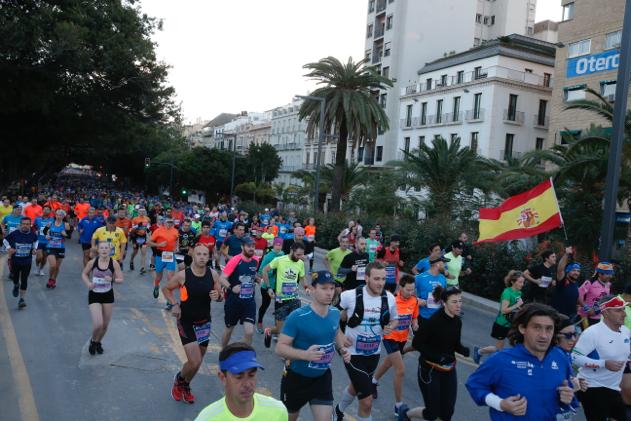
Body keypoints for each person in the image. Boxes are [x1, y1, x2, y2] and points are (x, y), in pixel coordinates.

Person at [466, 303, 575, 420]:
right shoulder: (501, 360)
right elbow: (475, 384)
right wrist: (500, 404)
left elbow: (569, 397)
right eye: (537, 327)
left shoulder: (560, 358)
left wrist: (568, 398)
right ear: (522, 328)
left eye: (549, 329)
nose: (544, 335)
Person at [276, 270, 351, 421]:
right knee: (289, 418)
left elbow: (335, 332)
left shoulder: (335, 313)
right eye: (324, 288)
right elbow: (280, 348)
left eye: (331, 288)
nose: (329, 293)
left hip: (322, 378)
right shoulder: (297, 316)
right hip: (296, 379)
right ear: (312, 289)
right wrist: (304, 355)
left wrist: (342, 349)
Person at [334, 261, 398, 421]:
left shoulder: (389, 298)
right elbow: (331, 315)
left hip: (373, 354)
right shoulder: (350, 296)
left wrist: (391, 326)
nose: (381, 283)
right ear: (367, 277)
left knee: (356, 387)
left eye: (383, 279)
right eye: (377, 279)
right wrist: (340, 335)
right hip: (352, 353)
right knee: (367, 402)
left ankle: (338, 411)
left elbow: (395, 319)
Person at [398, 287, 470, 421]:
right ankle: (406, 414)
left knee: (447, 413)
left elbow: (454, 344)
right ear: (444, 302)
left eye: (460, 301)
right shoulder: (434, 321)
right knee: (432, 413)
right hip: (429, 370)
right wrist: (436, 356)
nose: (458, 305)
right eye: (454, 302)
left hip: (449, 370)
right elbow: (417, 343)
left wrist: (463, 350)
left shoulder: (457, 321)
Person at [163, 244, 220, 404]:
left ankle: (186, 385)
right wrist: (174, 304)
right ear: (193, 256)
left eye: (205, 254)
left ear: (208, 257)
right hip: (186, 321)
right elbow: (166, 289)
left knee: (198, 362)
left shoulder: (213, 274)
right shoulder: (183, 275)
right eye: (199, 254)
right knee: (194, 361)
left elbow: (220, 294)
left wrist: (218, 295)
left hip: (204, 322)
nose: (202, 257)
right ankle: (179, 379)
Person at [573, 295, 631, 421]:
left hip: (613, 387)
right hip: (592, 387)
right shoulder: (592, 333)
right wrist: (603, 364)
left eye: (623, 309)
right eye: (618, 310)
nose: (624, 314)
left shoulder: (626, 331)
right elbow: (575, 357)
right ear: (605, 312)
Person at [194, 342, 288, 420]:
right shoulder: (206, 418)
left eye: (251, 375)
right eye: (239, 377)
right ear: (223, 377)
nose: (247, 384)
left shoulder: (278, 411)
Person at [372, 275, 419, 414]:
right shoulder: (392, 300)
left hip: (403, 338)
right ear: (400, 287)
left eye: (412, 290)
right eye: (408, 290)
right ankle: (398, 405)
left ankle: (373, 382)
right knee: (400, 370)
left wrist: (415, 325)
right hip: (390, 337)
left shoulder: (414, 301)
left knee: (388, 363)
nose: (410, 292)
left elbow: (414, 317)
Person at [473, 270, 525, 364]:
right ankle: (479, 352)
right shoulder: (507, 293)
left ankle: (499, 361)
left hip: (512, 323)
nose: (522, 284)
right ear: (513, 282)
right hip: (502, 323)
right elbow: (503, 310)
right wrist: (517, 305)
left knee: (517, 344)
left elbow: (517, 307)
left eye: (523, 282)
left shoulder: (518, 293)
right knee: (498, 349)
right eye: (520, 282)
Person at [81, 241, 123, 355]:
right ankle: (93, 341)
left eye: (106, 248)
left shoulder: (114, 263)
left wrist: (113, 280)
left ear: (110, 251)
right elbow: (84, 274)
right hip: (94, 294)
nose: (104, 250)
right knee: (98, 324)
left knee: (105, 325)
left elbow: (121, 279)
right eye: (102, 248)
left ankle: (98, 342)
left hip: (107, 295)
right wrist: (88, 284)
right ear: (98, 250)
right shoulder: (92, 262)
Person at [261, 242, 306, 348]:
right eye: (298, 255)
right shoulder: (280, 260)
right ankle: (269, 331)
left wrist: (307, 287)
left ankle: (287, 353)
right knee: (279, 329)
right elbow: (264, 270)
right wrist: (269, 288)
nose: (300, 257)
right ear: (292, 251)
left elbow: (303, 277)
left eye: (302, 255)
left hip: (294, 299)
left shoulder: (300, 263)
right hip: (281, 299)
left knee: (295, 326)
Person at [219, 236, 260, 347]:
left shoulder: (256, 260)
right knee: (229, 329)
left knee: (249, 332)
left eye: (253, 246)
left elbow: (252, 273)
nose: (251, 249)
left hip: (249, 301)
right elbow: (222, 278)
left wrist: (257, 278)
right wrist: (231, 287)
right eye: (249, 246)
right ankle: (224, 351)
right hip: (234, 301)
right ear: (242, 247)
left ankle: (242, 354)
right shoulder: (235, 260)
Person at [3, 217, 37, 308]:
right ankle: (16, 285)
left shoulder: (32, 234)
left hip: (27, 260)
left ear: (30, 225)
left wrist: (34, 248)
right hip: (15, 260)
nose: (25, 226)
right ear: (20, 224)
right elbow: (5, 240)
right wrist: (9, 248)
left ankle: (22, 299)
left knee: (24, 279)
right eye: (23, 224)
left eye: (27, 224)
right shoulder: (14, 234)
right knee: (15, 277)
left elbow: (36, 241)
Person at [147, 217, 179, 304]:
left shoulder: (175, 230)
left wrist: (176, 247)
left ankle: (169, 299)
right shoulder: (158, 230)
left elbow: (177, 239)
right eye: (168, 222)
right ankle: (156, 286)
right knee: (158, 277)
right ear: (164, 223)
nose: (169, 224)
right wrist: (159, 244)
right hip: (160, 255)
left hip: (170, 255)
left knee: (170, 277)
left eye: (171, 222)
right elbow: (149, 243)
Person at [256, 237, 284, 334]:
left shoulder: (283, 255)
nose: (278, 247)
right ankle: (259, 322)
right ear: (274, 245)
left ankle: (277, 328)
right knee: (265, 305)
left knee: (279, 307)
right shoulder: (268, 256)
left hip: (279, 287)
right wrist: (272, 271)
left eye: (280, 245)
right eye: (277, 244)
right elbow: (260, 270)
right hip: (267, 286)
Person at [414, 256, 449, 323]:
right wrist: (416, 301)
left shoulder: (443, 278)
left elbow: (444, 296)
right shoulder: (419, 278)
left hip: (438, 318)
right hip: (422, 317)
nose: (445, 265)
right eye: (444, 263)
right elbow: (405, 294)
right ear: (437, 264)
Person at [578, 262, 613, 326]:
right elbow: (578, 295)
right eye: (608, 274)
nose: (610, 276)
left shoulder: (609, 284)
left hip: (601, 317)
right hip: (586, 317)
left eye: (611, 274)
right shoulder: (590, 282)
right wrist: (587, 308)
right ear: (600, 274)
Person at [43, 209, 71, 289]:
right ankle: (50, 278)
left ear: (63, 216)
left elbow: (69, 236)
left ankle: (53, 280)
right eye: (57, 215)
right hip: (50, 246)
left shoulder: (66, 225)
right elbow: (44, 231)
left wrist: (64, 234)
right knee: (53, 265)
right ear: (55, 215)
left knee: (57, 267)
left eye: (60, 215)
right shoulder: (50, 223)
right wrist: (46, 236)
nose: (58, 216)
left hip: (60, 248)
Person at [551, 247, 582, 319]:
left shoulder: (575, 282)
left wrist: (580, 305)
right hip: (559, 317)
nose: (576, 273)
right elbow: (560, 269)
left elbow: (575, 296)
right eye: (574, 270)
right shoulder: (563, 280)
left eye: (578, 271)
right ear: (568, 271)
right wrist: (566, 254)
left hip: (572, 316)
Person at [33, 205, 54, 276]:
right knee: (39, 257)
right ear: (42, 210)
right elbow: (33, 227)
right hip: (39, 241)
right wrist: (35, 230)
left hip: (48, 242)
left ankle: (41, 269)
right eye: (44, 209)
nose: (46, 211)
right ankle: (36, 267)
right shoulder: (37, 219)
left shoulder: (53, 219)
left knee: (44, 257)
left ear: (50, 211)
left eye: (48, 209)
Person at [129, 208, 151, 273]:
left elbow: (148, 229)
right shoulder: (135, 219)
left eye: (143, 211)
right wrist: (138, 225)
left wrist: (150, 237)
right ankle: (131, 260)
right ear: (138, 212)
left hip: (143, 237)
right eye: (141, 211)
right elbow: (132, 229)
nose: (142, 212)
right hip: (135, 236)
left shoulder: (147, 219)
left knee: (143, 252)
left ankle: (142, 267)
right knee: (135, 251)